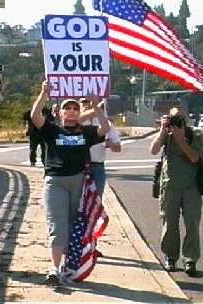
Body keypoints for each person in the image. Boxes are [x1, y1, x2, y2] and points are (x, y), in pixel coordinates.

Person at [31, 80, 110, 285]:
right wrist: (43, 94)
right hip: (55, 182)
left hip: (79, 183)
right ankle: (55, 269)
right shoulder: (52, 131)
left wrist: (94, 107)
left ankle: (70, 265)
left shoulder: (86, 133)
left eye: (75, 108)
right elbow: (35, 116)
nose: (72, 111)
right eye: (67, 108)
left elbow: (104, 128)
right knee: (57, 227)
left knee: (76, 224)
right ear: (60, 113)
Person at [149, 106, 203, 276]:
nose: (177, 121)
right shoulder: (167, 134)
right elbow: (153, 150)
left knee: (192, 224)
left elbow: (195, 157)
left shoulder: (195, 134)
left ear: (187, 119)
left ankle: (190, 259)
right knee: (169, 224)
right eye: (174, 118)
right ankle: (170, 256)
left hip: (191, 186)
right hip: (169, 184)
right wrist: (162, 131)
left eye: (181, 118)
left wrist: (181, 139)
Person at [78, 98, 121, 257]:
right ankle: (76, 244)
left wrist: (111, 144)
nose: (87, 105)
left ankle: (91, 245)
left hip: (97, 168)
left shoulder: (104, 123)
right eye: (84, 102)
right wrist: (95, 107)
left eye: (90, 102)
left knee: (93, 207)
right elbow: (77, 120)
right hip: (79, 167)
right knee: (77, 206)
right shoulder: (76, 122)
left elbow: (118, 147)